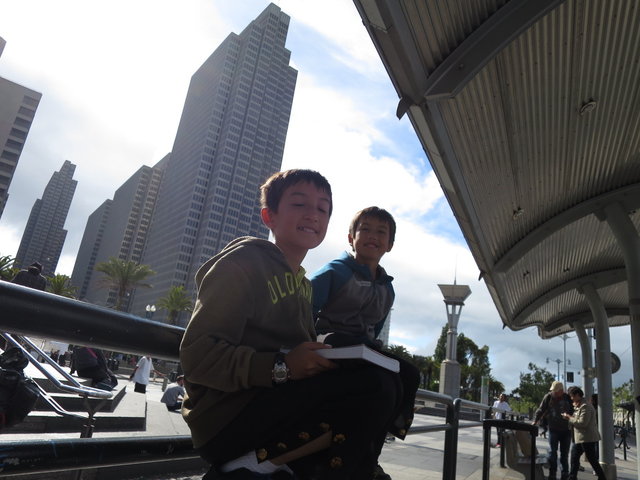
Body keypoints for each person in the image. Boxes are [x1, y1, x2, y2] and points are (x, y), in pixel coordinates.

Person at [180, 169, 401, 480]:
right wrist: (281, 366)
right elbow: (197, 357)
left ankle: (340, 467)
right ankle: (254, 462)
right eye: (299, 204)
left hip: (275, 405)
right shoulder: (242, 263)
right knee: (372, 386)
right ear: (269, 216)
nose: (313, 214)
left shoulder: (304, 286)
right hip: (224, 420)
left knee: (395, 377)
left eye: (322, 208)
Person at [310, 206, 420, 480]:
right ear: (351, 238)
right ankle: (353, 465)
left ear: (390, 244)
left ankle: (372, 454)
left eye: (381, 232)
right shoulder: (336, 271)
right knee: (380, 383)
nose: (373, 236)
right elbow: (305, 306)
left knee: (409, 374)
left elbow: (375, 328)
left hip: (363, 348)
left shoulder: (387, 288)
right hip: (329, 339)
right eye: (366, 229)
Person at [561, 386, 607, 480]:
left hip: (587, 438)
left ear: (578, 395)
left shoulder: (585, 406)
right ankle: (572, 477)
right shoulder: (579, 405)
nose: (571, 398)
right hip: (580, 437)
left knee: (592, 459)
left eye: (572, 396)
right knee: (574, 457)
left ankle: (602, 477)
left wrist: (568, 417)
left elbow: (582, 423)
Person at [533, 381, 574, 480]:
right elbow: (541, 409)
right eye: (553, 391)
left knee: (564, 453)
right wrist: (535, 421)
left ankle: (565, 473)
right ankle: (552, 473)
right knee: (552, 452)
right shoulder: (548, 397)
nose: (554, 392)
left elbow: (574, 411)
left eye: (556, 391)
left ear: (561, 391)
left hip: (566, 430)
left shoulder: (568, 398)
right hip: (553, 429)